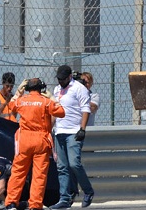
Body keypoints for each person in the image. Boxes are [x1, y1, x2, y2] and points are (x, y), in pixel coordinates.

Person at [5, 78, 65, 210]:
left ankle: (11, 203)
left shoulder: (22, 100)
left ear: (27, 88)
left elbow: (11, 105)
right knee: (39, 175)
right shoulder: (45, 101)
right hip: (41, 140)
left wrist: (19, 92)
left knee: (18, 172)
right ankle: (35, 205)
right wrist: (53, 97)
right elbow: (61, 112)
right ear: (41, 88)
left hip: (24, 139)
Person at [51, 65, 94, 209]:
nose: (60, 81)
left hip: (74, 131)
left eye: (63, 79)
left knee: (74, 163)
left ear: (70, 76)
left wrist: (82, 129)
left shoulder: (79, 88)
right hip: (59, 131)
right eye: (59, 79)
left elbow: (86, 109)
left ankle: (88, 191)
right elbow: (54, 110)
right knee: (62, 167)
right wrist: (50, 128)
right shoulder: (57, 89)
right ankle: (64, 198)